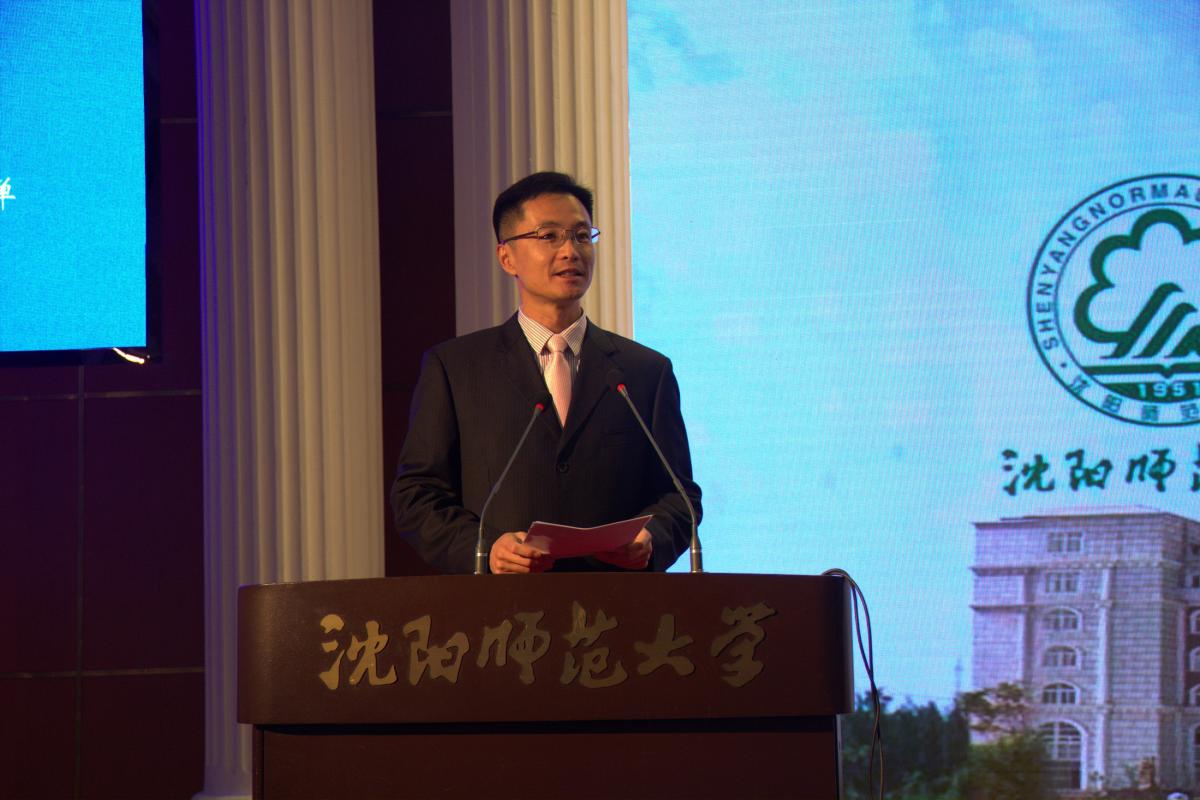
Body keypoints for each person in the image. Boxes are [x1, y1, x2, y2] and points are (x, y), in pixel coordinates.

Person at [390, 171, 701, 574]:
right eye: (549, 236)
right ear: (506, 257)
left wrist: (650, 540)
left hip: (615, 602)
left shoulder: (645, 372)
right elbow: (417, 495)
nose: (570, 251)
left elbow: (679, 497)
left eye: (581, 235)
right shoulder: (455, 368)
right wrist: (485, 550)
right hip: (503, 605)